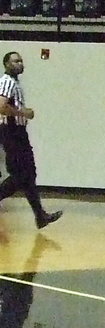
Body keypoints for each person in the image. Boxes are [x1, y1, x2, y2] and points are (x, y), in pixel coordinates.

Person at [0, 52, 62, 229]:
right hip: (11, 132)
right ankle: (40, 215)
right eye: (15, 61)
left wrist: (23, 111)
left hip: (19, 132)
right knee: (20, 175)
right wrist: (23, 113)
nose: (19, 63)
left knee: (29, 174)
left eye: (21, 60)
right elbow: (2, 107)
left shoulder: (15, 82)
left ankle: (40, 216)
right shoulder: (6, 82)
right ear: (6, 64)